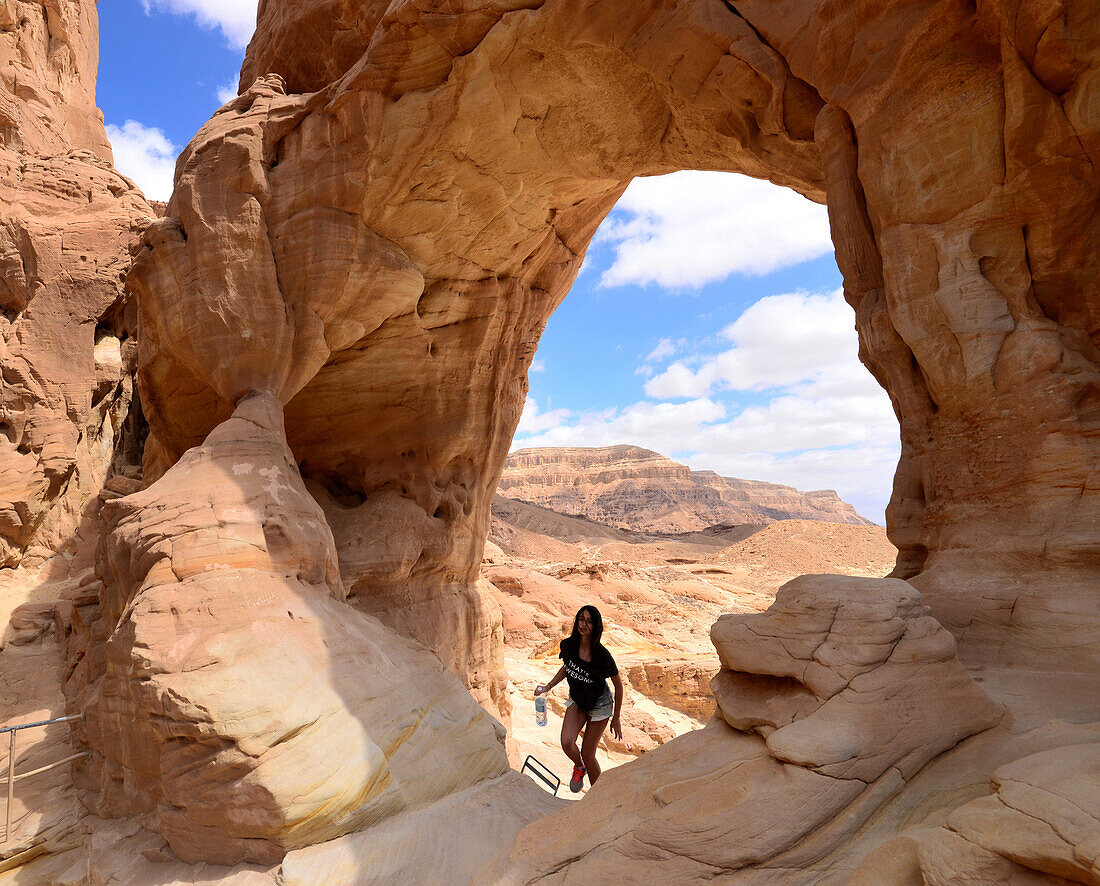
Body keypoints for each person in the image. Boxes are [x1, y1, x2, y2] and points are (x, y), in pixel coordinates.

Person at [535, 605, 623, 792]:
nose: (584, 624)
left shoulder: (602, 656)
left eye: (589, 621)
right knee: (567, 742)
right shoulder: (569, 645)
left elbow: (618, 685)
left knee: (588, 753)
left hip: (599, 705)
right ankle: (579, 766)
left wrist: (616, 718)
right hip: (578, 699)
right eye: (581, 619)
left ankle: (597, 797)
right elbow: (568, 668)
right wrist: (548, 686)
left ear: (596, 626)